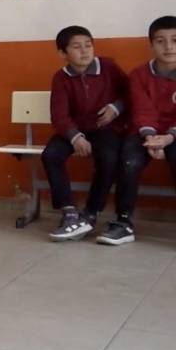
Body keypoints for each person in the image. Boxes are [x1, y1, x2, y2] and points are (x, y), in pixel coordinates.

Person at [40, 26, 129, 241]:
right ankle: (69, 212)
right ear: (63, 53)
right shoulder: (60, 78)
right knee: (51, 154)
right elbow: (59, 116)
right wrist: (75, 137)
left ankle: (91, 212)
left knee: (109, 158)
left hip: (104, 128)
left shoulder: (108, 67)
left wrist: (115, 108)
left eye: (88, 45)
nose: (85, 51)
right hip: (74, 130)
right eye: (77, 47)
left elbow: (130, 93)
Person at [112, 16, 176, 245]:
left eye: (175, 40)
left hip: (174, 134)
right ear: (151, 45)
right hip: (144, 132)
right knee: (129, 162)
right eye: (161, 41)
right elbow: (142, 109)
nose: (169, 47)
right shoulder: (139, 75)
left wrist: (169, 138)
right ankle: (123, 222)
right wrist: (150, 138)